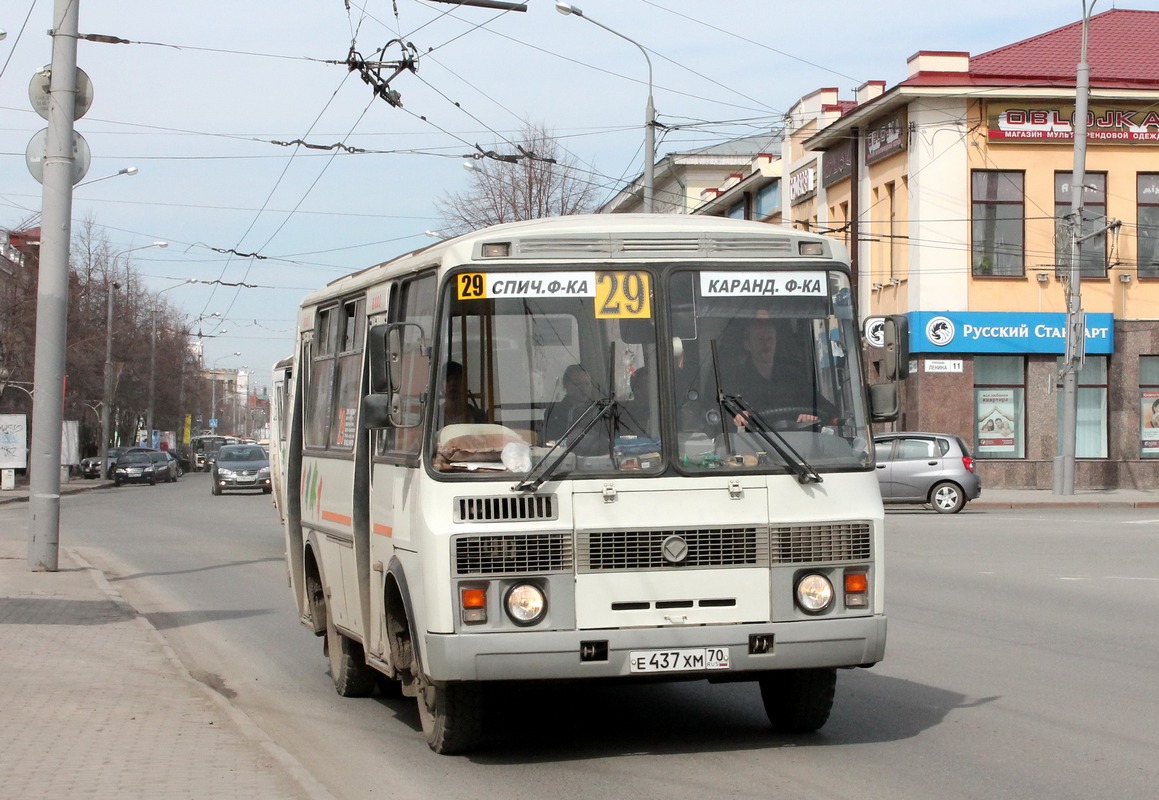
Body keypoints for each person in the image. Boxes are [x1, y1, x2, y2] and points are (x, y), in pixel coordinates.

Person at [727, 316, 830, 428]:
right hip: (750, 443)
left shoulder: (793, 377)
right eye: (760, 339)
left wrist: (811, 415)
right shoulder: (734, 381)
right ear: (747, 345)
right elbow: (716, 418)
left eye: (770, 338)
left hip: (796, 443)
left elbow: (827, 409)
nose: (766, 344)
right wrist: (736, 417)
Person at [543, 363, 596, 443]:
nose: (584, 388)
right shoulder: (554, 413)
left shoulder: (599, 410)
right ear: (566, 386)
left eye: (587, 384)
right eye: (578, 384)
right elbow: (550, 442)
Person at [439, 361, 485, 426]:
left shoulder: (479, 417)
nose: (452, 383)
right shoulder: (435, 417)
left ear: (465, 383)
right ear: (441, 386)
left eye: (457, 378)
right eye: (448, 380)